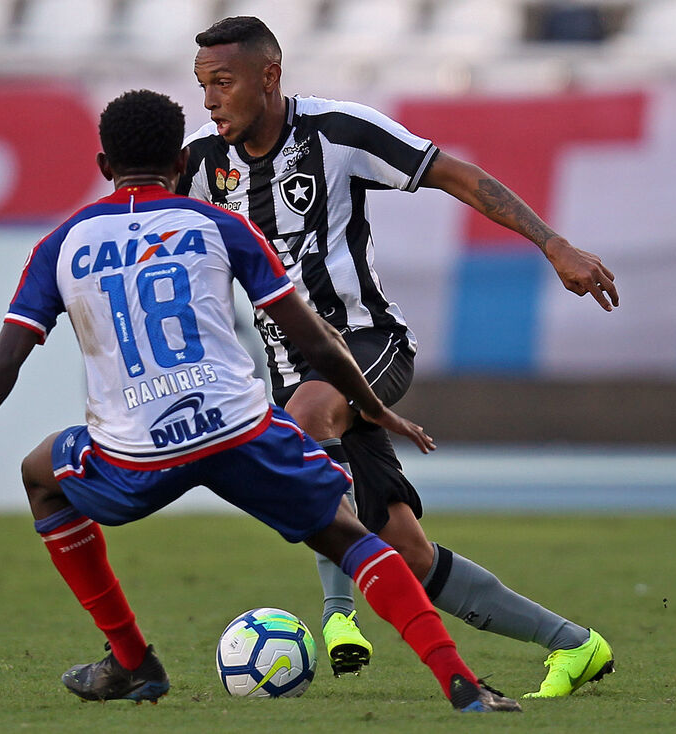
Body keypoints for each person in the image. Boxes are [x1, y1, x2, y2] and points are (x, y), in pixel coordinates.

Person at [0, 89, 522, 713]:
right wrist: (373, 405)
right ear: (182, 164)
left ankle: (131, 661)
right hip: (240, 430)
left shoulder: (62, 244)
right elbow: (317, 343)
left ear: (103, 167)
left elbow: (1, 363)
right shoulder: (222, 224)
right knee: (350, 536)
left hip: (137, 450)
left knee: (41, 476)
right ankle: (460, 683)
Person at [180, 16, 616, 698]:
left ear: (269, 77)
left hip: (369, 347)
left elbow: (458, 177)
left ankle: (336, 618)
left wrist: (552, 243)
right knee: (405, 550)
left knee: (305, 424)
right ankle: (575, 646)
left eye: (224, 83)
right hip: (291, 374)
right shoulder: (203, 163)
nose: (209, 100)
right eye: (203, 85)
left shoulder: (338, 132)